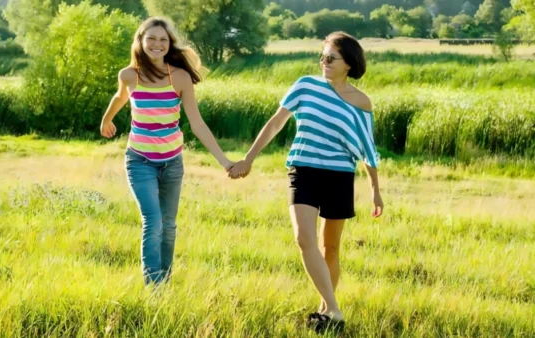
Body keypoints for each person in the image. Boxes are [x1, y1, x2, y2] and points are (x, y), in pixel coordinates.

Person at [228, 31, 384, 333]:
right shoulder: (305, 86)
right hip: (304, 171)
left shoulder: (362, 102)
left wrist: (376, 191)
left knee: (331, 248)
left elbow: (368, 149)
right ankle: (335, 310)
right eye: (321, 57)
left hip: (339, 175)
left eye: (331, 58)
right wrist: (248, 158)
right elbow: (276, 122)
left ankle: (326, 310)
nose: (323, 62)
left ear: (348, 64)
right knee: (304, 239)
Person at [100, 17, 233, 285]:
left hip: (172, 162)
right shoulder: (129, 75)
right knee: (153, 221)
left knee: (169, 227)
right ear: (141, 41)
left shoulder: (180, 77)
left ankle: (165, 281)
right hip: (139, 160)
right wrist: (107, 119)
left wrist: (225, 162)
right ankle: (154, 289)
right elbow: (120, 96)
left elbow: (197, 124)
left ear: (169, 43)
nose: (157, 44)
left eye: (163, 39)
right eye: (151, 39)